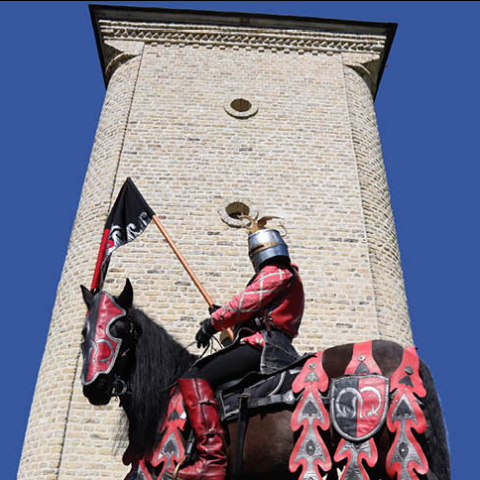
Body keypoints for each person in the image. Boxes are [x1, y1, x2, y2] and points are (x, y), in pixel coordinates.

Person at [170, 227, 304, 480]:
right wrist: (225, 317)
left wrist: (214, 322)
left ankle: (211, 457)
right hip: (267, 342)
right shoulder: (285, 275)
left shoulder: (277, 274)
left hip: (264, 347)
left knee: (194, 376)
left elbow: (245, 302)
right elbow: (255, 312)